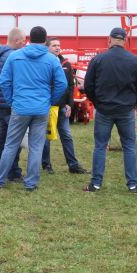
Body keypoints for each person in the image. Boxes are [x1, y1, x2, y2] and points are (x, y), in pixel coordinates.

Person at [0, 26, 67, 192]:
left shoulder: (15, 56)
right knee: (36, 147)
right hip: (41, 109)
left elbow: (4, 82)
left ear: (30, 38)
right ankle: (31, 183)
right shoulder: (51, 59)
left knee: (11, 145)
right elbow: (62, 84)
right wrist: (50, 100)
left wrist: (11, 101)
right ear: (45, 40)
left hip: (20, 107)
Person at [83, 28, 137, 194]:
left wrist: (96, 102)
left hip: (104, 109)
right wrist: (133, 103)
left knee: (100, 146)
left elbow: (88, 85)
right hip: (126, 109)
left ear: (109, 40)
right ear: (125, 40)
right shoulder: (134, 60)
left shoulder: (98, 59)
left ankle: (95, 184)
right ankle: (133, 185)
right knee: (129, 146)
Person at [41, 37, 87, 174]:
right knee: (46, 137)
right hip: (47, 107)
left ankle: (73, 165)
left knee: (66, 135)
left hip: (62, 107)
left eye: (59, 45)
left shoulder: (65, 63)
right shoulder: (43, 63)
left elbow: (70, 85)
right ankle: (46, 165)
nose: (57, 47)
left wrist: (69, 104)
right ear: (47, 47)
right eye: (54, 45)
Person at [0, 27, 25, 182]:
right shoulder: (13, 56)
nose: (24, 45)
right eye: (23, 41)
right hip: (11, 102)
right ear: (17, 40)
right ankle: (12, 171)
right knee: (14, 140)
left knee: (3, 137)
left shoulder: (0, 54)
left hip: (2, 101)